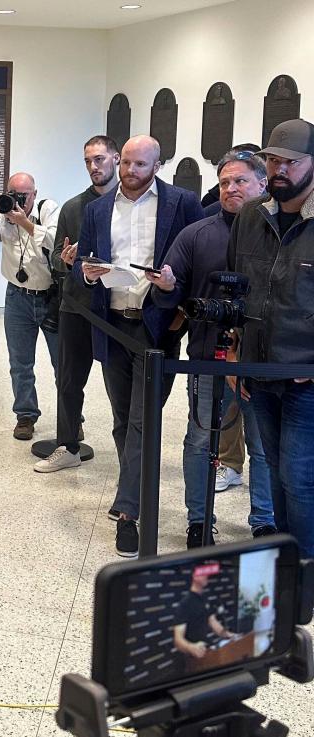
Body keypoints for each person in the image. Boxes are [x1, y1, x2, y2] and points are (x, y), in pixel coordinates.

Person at [73, 135, 204, 557]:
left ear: (158, 165)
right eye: (126, 163)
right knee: (119, 417)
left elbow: (195, 266)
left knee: (141, 420)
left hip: (156, 329)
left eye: (140, 165)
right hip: (112, 324)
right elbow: (80, 265)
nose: (130, 172)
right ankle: (133, 484)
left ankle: (129, 512)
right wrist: (89, 273)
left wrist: (172, 286)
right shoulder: (97, 209)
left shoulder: (181, 203)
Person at [146, 151, 276, 547]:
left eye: (240, 181)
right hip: (207, 359)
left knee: (264, 446)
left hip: (262, 363)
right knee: (200, 441)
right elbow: (171, 294)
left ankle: (265, 521)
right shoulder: (196, 234)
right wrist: (165, 286)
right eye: (224, 183)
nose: (231, 189)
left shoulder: (279, 235)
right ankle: (199, 521)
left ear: (262, 184)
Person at [228, 118, 314, 559]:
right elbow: (235, 287)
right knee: (276, 471)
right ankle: (284, 560)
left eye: (291, 162)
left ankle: (304, 571)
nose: (280, 169)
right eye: (273, 160)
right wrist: (232, 351)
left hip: (305, 381)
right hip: (257, 372)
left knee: (299, 478)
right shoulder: (251, 217)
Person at [34, 136, 120, 472]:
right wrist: (65, 261)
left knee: (119, 384)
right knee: (69, 380)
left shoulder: (130, 206)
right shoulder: (72, 208)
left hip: (116, 308)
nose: (94, 167)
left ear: (115, 159)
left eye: (99, 159)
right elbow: (55, 257)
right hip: (76, 306)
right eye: (88, 161)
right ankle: (68, 445)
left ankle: (128, 449)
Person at [0, 172, 60, 440]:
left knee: (63, 363)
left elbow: (55, 242)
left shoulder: (48, 209)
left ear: (34, 193)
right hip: (17, 298)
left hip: (51, 297)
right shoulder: (1, 212)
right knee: (20, 363)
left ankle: (72, 417)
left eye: (24, 195)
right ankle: (25, 416)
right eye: (13, 194)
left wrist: (25, 222)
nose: (19, 200)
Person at [173, 564, 236, 666]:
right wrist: (191, 647)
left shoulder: (204, 599)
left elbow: (213, 622)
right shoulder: (185, 603)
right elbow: (177, 640)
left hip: (206, 652)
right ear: (195, 576)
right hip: (191, 659)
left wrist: (229, 635)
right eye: (203, 573)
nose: (206, 576)